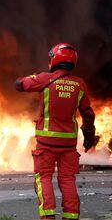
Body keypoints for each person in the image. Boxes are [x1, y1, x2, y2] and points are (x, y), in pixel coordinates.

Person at [15, 43, 96, 220]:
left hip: (46, 143)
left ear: (54, 59)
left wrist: (34, 76)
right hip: (68, 144)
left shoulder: (44, 78)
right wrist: (89, 136)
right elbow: (88, 114)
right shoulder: (79, 85)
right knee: (67, 180)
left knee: (44, 178)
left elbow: (19, 84)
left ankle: (48, 216)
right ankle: (71, 216)